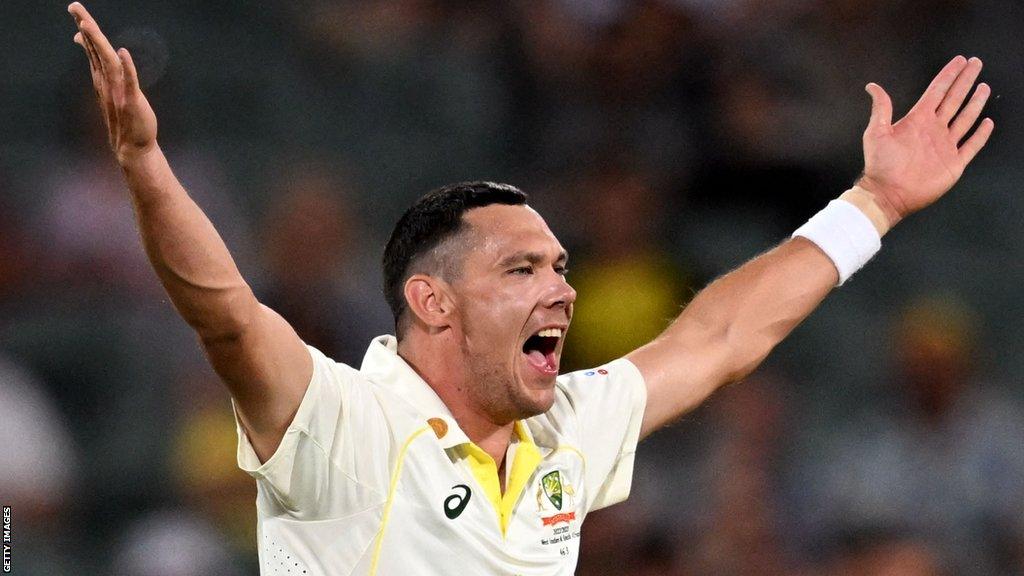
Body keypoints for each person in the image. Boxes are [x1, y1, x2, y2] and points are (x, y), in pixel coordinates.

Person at [66, 2, 994, 574]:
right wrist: (145, 164)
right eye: (521, 269)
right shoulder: (342, 422)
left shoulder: (564, 436)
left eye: (559, 267)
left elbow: (717, 339)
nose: (561, 290)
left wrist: (871, 203)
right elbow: (224, 312)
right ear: (433, 302)